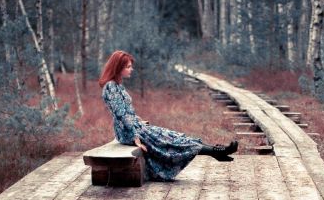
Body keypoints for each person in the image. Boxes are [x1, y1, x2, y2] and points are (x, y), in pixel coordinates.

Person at [99, 50, 238, 182]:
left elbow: (127, 111)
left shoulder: (117, 85)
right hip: (128, 132)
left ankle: (216, 151)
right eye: (128, 67)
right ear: (118, 67)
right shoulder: (111, 87)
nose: (131, 69)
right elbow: (121, 115)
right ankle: (216, 152)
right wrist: (136, 138)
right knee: (172, 142)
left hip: (134, 127)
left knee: (176, 137)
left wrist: (139, 120)